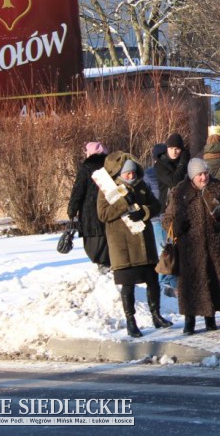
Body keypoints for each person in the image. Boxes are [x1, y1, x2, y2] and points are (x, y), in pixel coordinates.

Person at [95, 152, 170, 337]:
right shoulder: (108, 190)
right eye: (127, 173)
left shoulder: (141, 186)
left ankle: (156, 315)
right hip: (123, 246)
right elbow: (103, 215)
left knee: (153, 281)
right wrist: (122, 203)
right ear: (120, 173)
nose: (131, 176)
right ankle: (131, 321)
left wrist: (143, 212)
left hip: (144, 243)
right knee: (127, 285)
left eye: (133, 172)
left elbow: (156, 206)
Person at [163, 157, 220, 335]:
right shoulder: (180, 192)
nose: (204, 177)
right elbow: (167, 219)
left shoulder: (217, 187)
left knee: (214, 281)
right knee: (191, 286)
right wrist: (179, 224)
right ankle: (190, 322)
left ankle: (210, 319)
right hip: (190, 249)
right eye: (200, 175)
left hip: (215, 246)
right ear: (192, 176)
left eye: (205, 173)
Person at [66, 142, 111, 271]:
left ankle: (101, 264)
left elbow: (78, 190)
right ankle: (107, 264)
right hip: (109, 209)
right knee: (106, 239)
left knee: (93, 242)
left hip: (90, 212)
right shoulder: (111, 166)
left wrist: (72, 209)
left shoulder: (86, 167)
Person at [154, 133, 188, 296]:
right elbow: (174, 181)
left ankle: (177, 282)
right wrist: (183, 162)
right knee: (166, 248)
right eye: (172, 149)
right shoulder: (161, 164)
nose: (175, 152)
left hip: (182, 209)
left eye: (178, 149)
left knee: (180, 249)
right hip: (165, 211)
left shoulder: (184, 161)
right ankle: (166, 283)